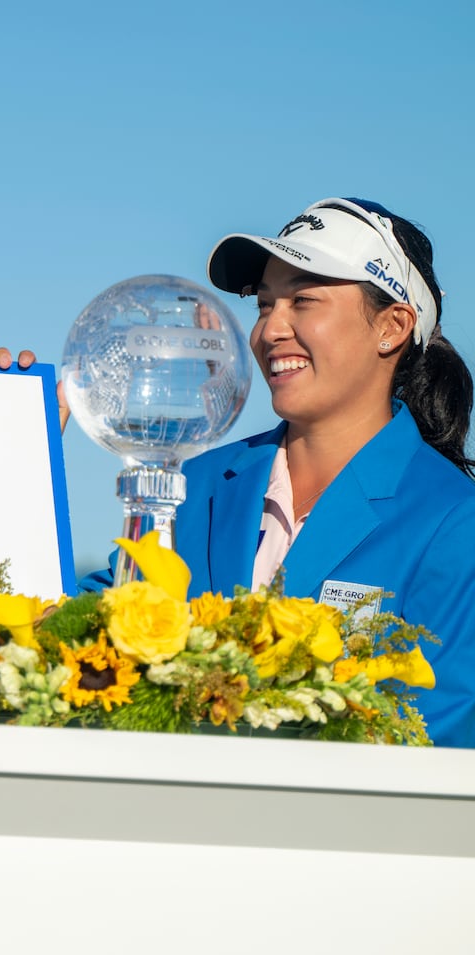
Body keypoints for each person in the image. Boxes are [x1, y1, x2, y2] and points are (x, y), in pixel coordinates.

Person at [86, 198, 475, 747]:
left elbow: (437, 729)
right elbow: (78, 644)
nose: (271, 330)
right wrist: (21, 447)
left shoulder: (455, 520)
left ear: (391, 327)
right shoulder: (194, 488)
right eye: (265, 305)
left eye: (303, 300)